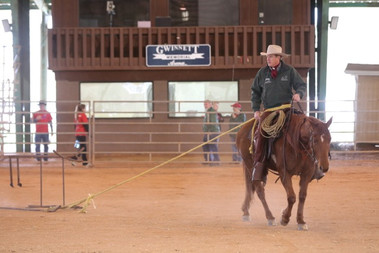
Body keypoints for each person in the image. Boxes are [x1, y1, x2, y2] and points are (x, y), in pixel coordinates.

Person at [251, 44, 308, 182]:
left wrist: (299, 94)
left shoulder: (289, 71)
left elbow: (301, 85)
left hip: (287, 108)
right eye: (267, 57)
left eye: (270, 56)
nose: (268, 59)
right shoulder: (262, 73)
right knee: (261, 134)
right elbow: (255, 92)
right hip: (269, 111)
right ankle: (259, 167)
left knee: (305, 128)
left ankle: (311, 164)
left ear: (279, 57)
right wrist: (256, 109)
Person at [202, 100, 220, 165]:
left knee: (213, 146)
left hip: (212, 132)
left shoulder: (212, 111)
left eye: (206, 104)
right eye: (204, 104)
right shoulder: (208, 111)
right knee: (206, 146)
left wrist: (210, 131)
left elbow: (213, 122)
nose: (205, 105)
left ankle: (216, 161)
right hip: (208, 132)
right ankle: (208, 160)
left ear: (210, 104)